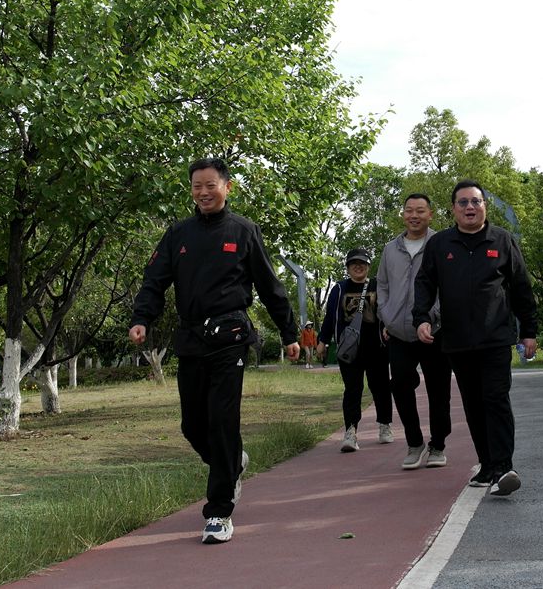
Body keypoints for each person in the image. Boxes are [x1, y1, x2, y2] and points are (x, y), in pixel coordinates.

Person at [129, 157, 300, 545]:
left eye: (210, 185)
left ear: (227, 187)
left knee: (223, 421)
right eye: (196, 187)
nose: (203, 193)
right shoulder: (178, 234)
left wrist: (289, 333)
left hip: (231, 338)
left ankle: (219, 512)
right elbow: (154, 280)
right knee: (192, 425)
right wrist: (142, 318)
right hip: (191, 339)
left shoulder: (244, 231)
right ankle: (232, 461)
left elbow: (270, 286)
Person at [413, 180, 537, 497]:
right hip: (457, 341)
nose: (470, 207)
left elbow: (521, 288)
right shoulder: (440, 244)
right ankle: (487, 464)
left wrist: (529, 331)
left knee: (495, 399)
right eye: (463, 202)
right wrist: (421, 318)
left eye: (476, 201)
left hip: (495, 338)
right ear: (453, 209)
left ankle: (503, 467)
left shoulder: (502, 240)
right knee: (473, 404)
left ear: (485, 206)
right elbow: (425, 283)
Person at [377, 193, 452, 470]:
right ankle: (414, 442)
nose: (414, 215)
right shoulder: (390, 249)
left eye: (420, 210)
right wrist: (386, 315)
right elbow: (382, 285)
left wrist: (434, 317)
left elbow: (448, 285)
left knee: (438, 390)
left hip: (434, 331)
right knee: (400, 385)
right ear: (403, 214)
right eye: (409, 210)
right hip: (399, 332)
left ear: (430, 214)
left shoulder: (442, 244)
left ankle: (438, 445)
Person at [317, 248, 394, 451]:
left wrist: (390, 327)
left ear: (368, 266)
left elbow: (388, 310)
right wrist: (322, 340)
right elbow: (330, 317)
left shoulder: (377, 286)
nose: (358, 267)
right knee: (352, 390)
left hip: (377, 348)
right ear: (348, 267)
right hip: (349, 350)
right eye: (354, 263)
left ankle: (385, 425)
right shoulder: (339, 289)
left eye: (362, 263)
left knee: (381, 387)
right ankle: (350, 431)